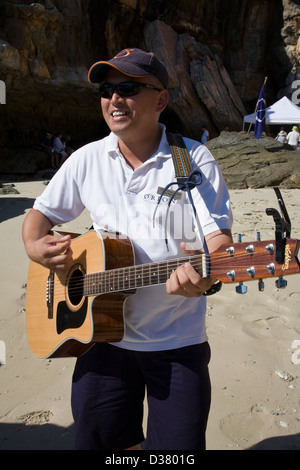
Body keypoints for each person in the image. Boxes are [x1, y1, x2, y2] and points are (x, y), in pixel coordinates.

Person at [22, 48, 233, 450]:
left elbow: (217, 240)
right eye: (107, 89)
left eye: (129, 88)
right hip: (100, 341)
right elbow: (40, 213)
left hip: (176, 342)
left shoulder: (191, 158)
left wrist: (205, 276)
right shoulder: (87, 158)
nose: (115, 98)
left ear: (161, 99)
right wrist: (34, 245)